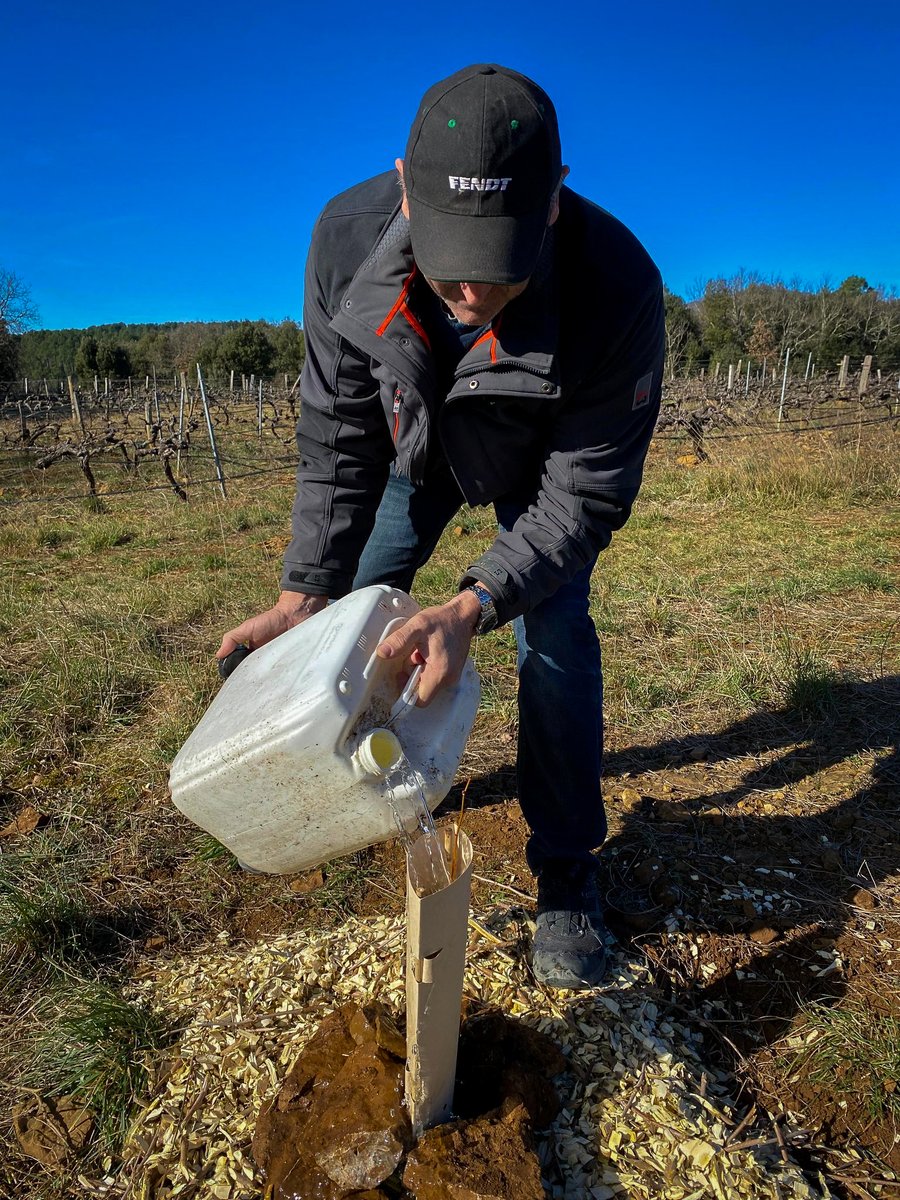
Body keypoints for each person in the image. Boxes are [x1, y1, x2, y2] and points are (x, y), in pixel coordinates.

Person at [218, 64, 665, 990]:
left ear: (553, 200)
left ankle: (566, 869)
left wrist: (473, 605)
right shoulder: (346, 240)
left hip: (539, 472)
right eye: (447, 254)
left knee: (555, 636)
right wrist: (304, 591)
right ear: (403, 186)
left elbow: (583, 498)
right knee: (348, 619)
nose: (466, 290)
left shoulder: (615, 288)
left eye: (496, 264)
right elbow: (339, 435)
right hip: (416, 458)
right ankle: (341, 783)